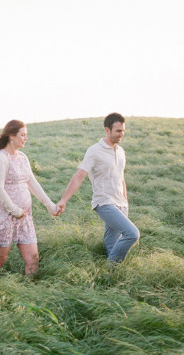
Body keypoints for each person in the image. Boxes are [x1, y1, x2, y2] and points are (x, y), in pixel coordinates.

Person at [55, 113, 139, 265]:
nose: (122, 134)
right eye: (118, 131)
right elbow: (80, 175)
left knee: (111, 245)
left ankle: (109, 279)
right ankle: (110, 269)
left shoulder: (121, 151)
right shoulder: (94, 150)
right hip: (104, 202)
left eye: (123, 130)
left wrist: (126, 202)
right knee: (132, 234)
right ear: (107, 130)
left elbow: (121, 178)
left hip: (121, 203)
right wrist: (63, 200)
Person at [0, 119, 57, 275]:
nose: (26, 138)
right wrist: (15, 210)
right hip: (5, 216)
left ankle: (31, 293)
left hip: (24, 217)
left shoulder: (22, 157)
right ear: (11, 136)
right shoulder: (0, 158)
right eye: (23, 135)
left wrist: (50, 205)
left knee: (33, 260)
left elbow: (32, 182)